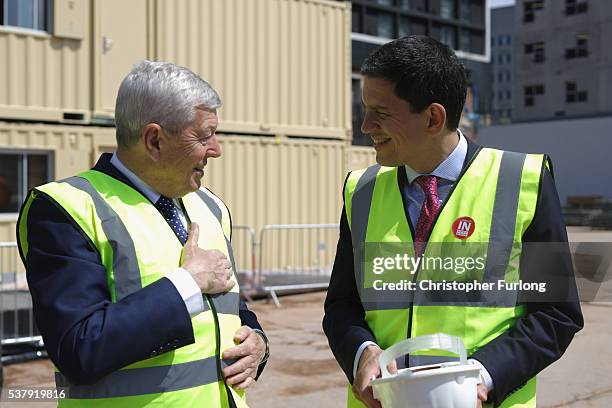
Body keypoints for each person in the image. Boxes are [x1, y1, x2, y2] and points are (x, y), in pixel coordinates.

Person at [323, 36, 583, 408]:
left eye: (380, 112)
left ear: (433, 117)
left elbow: (556, 313)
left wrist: (483, 377)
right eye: (365, 109)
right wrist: (361, 351)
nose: (366, 125)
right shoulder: (360, 191)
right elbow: (341, 306)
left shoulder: (523, 180)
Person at [17, 61, 269, 407]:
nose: (216, 149)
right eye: (205, 135)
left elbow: (228, 307)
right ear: (155, 140)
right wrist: (187, 285)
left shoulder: (210, 208)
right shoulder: (66, 209)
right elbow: (78, 348)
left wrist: (257, 339)